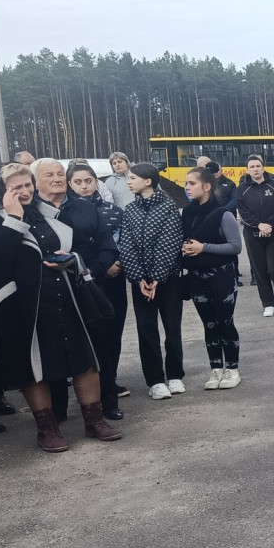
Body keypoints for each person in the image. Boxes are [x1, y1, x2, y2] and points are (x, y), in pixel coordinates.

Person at [0, 163, 121, 450]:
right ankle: (47, 428)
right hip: (24, 305)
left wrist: (71, 257)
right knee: (33, 367)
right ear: (2, 192)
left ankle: (94, 420)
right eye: (15, 187)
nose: (24, 191)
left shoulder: (53, 214)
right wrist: (13, 217)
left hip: (66, 295)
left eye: (27, 185)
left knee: (84, 359)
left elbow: (86, 247)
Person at [37, 160, 119, 424]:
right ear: (36, 181)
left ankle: (107, 405)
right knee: (54, 349)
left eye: (60, 173)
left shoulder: (86, 209)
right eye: (49, 175)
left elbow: (107, 248)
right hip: (48, 293)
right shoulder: (32, 214)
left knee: (99, 347)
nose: (57, 178)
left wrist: (89, 271)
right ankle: (58, 410)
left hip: (87, 288)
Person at [118, 163, 188, 401]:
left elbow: (169, 244)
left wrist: (157, 277)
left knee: (172, 328)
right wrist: (139, 278)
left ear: (148, 181)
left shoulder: (169, 207)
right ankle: (155, 380)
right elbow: (126, 246)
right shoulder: (129, 210)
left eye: (132, 178)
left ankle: (176, 374)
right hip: (141, 284)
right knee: (146, 330)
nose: (128, 182)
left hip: (168, 280)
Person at [66, 162, 128, 419]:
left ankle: (110, 381)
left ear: (96, 182)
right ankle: (91, 391)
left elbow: (124, 239)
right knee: (89, 338)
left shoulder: (113, 211)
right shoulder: (64, 213)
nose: (83, 186)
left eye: (88, 181)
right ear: (70, 184)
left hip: (114, 279)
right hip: (86, 281)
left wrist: (117, 263)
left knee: (113, 334)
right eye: (78, 182)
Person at [181, 167, 242, 390]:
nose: (187, 187)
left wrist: (203, 247)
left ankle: (232, 369)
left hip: (221, 277)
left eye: (191, 183)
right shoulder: (187, 212)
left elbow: (235, 247)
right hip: (196, 278)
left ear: (206, 186)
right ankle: (216, 368)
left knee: (225, 323)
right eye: (186, 183)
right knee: (209, 324)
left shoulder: (223, 213)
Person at [236, 154, 274, 315]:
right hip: (253, 233)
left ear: (263, 167)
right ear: (247, 170)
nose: (255, 170)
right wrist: (258, 225)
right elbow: (243, 212)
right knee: (259, 269)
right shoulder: (242, 189)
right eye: (252, 167)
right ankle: (268, 303)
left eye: (258, 166)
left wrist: (269, 225)